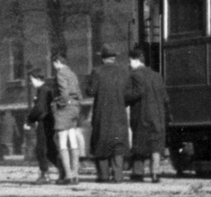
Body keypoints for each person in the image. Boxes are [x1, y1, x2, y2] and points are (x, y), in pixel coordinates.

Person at [84, 46, 131, 182]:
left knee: (102, 142)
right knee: (118, 144)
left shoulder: (97, 72)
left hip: (102, 113)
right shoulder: (123, 72)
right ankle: (118, 176)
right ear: (114, 57)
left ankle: (103, 176)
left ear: (103, 58)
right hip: (119, 113)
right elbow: (128, 93)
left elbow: (91, 91)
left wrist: (88, 82)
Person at [127, 45, 170, 183]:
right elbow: (165, 98)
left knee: (139, 144)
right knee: (155, 145)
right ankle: (155, 173)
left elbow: (135, 94)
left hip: (142, 115)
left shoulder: (134, 75)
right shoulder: (157, 76)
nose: (129, 64)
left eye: (130, 61)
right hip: (157, 115)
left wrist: (124, 98)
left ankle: (138, 173)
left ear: (134, 60)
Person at [50, 50, 84, 185]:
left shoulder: (61, 73)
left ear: (57, 63)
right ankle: (76, 175)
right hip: (75, 107)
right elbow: (79, 93)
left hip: (65, 109)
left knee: (62, 142)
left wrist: (58, 104)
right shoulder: (72, 73)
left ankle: (68, 176)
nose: (54, 67)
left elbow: (63, 93)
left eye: (54, 64)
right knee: (73, 141)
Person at [25, 70, 61, 184]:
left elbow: (39, 108)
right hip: (49, 121)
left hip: (44, 122)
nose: (30, 83)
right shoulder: (46, 90)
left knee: (41, 148)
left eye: (31, 80)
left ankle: (44, 174)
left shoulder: (42, 91)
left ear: (38, 79)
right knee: (50, 149)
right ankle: (64, 170)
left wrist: (30, 119)